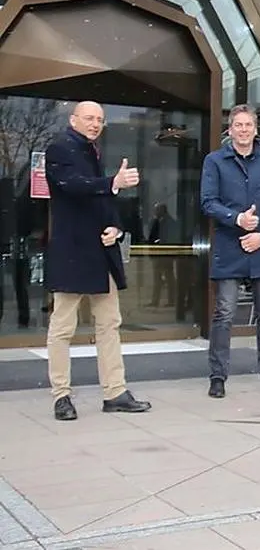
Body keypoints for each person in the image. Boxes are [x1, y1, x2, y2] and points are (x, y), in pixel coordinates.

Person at [43, 101, 152, 420]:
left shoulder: (93, 151)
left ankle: (115, 391)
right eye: (89, 118)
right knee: (62, 326)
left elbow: (99, 200)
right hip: (72, 253)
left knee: (109, 324)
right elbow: (73, 187)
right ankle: (61, 396)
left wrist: (115, 228)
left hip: (99, 253)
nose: (95, 123)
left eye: (100, 120)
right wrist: (113, 183)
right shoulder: (59, 148)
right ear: (73, 119)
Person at [200, 105, 260, 399]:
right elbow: (208, 202)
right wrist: (237, 219)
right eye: (237, 125)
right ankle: (217, 377)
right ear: (229, 129)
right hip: (229, 247)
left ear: (255, 128)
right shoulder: (214, 161)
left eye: (248, 125)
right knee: (224, 313)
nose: (243, 130)